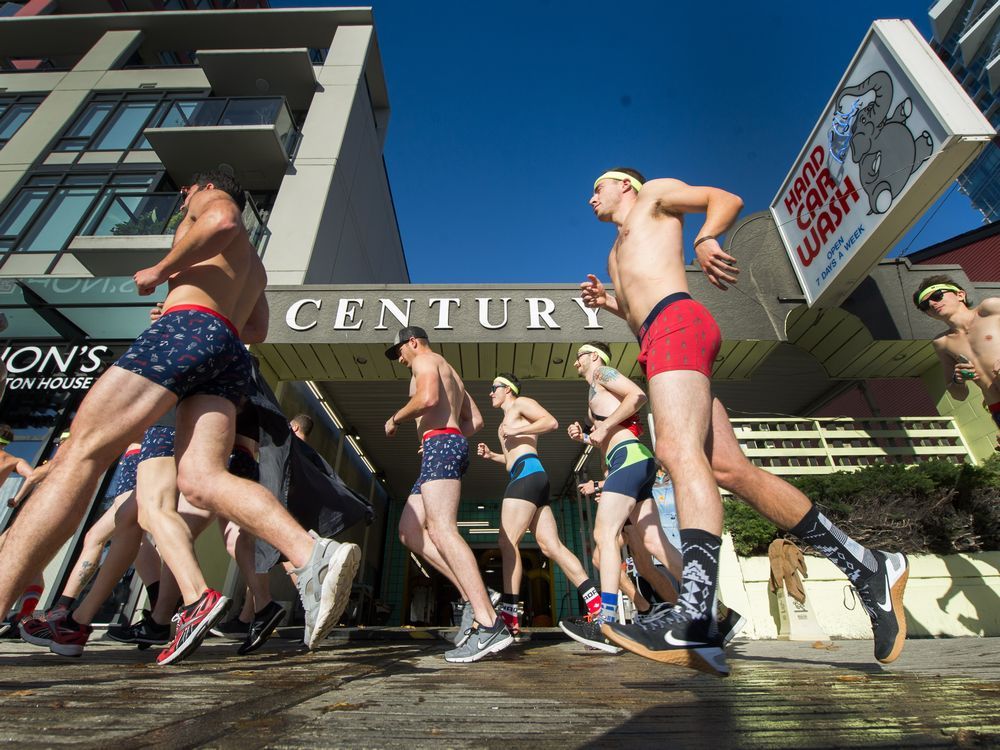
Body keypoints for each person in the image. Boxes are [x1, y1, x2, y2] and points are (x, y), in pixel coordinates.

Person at [0, 170, 359, 663]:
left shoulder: (209, 200)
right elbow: (255, 328)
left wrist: (162, 271)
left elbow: (223, 219)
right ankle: (311, 553)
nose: (183, 199)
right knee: (202, 478)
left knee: (80, 453)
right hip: (228, 347)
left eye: (184, 192)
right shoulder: (254, 266)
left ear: (201, 186)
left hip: (186, 328)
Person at [581, 168, 908, 674]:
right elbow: (633, 314)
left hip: (678, 324)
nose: (591, 197)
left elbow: (725, 196)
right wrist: (610, 302)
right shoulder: (614, 252)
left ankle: (693, 620)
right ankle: (869, 567)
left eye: (598, 186)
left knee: (675, 450)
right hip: (656, 338)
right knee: (730, 471)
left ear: (626, 185)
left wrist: (708, 238)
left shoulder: (656, 197)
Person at [384, 325, 513, 663]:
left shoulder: (425, 361)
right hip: (440, 444)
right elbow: (477, 421)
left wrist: (396, 418)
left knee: (442, 529)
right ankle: (476, 595)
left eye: (398, 351)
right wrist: (444, 435)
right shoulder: (451, 371)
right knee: (410, 532)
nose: (398, 358)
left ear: (413, 343)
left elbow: (428, 398)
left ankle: (489, 624)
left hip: (441, 444)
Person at [557, 341, 674, 653]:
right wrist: (584, 435)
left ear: (593, 355)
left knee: (603, 535)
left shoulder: (604, 374)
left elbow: (638, 396)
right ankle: (708, 609)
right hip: (633, 458)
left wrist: (604, 425)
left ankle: (605, 623)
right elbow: (606, 435)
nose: (575, 363)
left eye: (579, 356)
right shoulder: (595, 392)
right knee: (653, 543)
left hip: (628, 459)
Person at [476, 373, 603, 635]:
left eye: (494, 388)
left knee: (506, 542)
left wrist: (517, 429)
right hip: (526, 474)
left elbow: (551, 422)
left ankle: (510, 616)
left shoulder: (521, 404)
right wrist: (493, 456)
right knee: (550, 546)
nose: (490, 393)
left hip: (527, 474)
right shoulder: (505, 422)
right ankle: (596, 602)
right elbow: (513, 455)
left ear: (508, 390)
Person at [914, 275, 1000, 444]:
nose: (931, 304)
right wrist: (958, 380)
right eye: (924, 305)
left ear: (960, 295)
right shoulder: (942, 343)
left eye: (937, 295)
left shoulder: (990, 309)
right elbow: (958, 395)